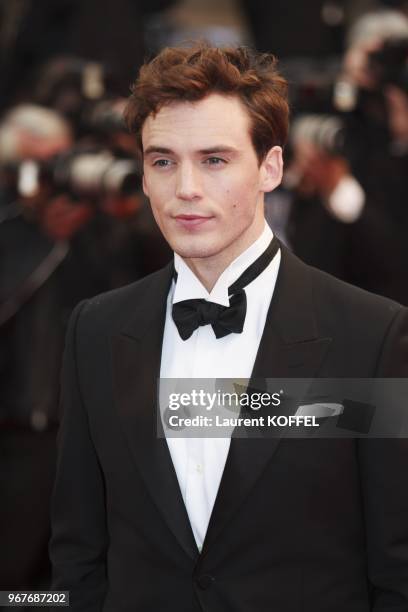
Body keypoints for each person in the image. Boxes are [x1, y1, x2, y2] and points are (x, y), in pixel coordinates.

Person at [50, 44, 408, 611]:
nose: (185, 188)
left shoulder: (370, 335)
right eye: (162, 160)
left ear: (271, 167)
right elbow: (77, 554)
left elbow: (398, 568)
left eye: (214, 159)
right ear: (141, 174)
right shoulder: (95, 330)